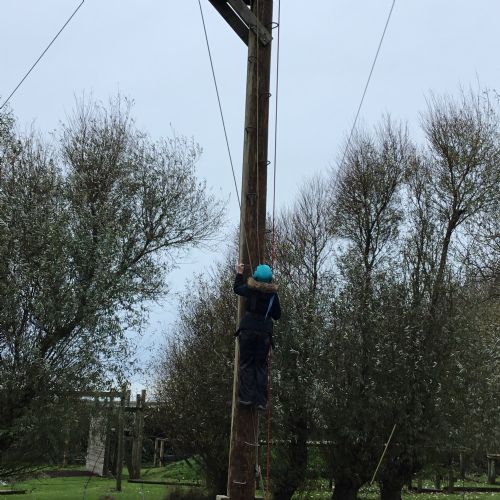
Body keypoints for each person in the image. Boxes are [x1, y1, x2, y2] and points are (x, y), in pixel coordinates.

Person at [233, 262, 281, 411]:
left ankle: (246, 398)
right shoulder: (273, 295)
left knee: (246, 364)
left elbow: (237, 288)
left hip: (247, 330)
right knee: (260, 366)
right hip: (264, 333)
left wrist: (240, 273)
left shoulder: (250, 289)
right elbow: (277, 315)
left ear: (256, 276)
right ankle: (261, 401)